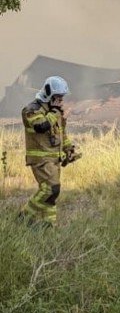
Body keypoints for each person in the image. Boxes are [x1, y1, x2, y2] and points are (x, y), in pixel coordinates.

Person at [20, 76, 81, 226]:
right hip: (41, 159)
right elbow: (40, 126)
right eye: (58, 97)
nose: (61, 100)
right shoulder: (31, 109)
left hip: (53, 159)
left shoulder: (55, 111)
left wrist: (68, 149)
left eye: (62, 97)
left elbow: (61, 133)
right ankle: (25, 215)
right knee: (50, 189)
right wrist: (54, 112)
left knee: (53, 193)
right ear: (49, 93)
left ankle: (48, 224)